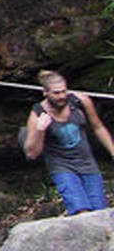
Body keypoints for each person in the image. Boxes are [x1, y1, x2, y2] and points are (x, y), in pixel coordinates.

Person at [23, 69, 114, 215]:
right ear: (45, 92)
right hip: (62, 167)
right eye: (56, 93)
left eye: (64, 91)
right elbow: (32, 153)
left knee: (100, 212)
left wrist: (112, 151)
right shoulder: (38, 114)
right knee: (81, 211)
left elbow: (98, 127)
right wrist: (39, 130)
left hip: (87, 163)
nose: (61, 96)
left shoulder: (80, 102)